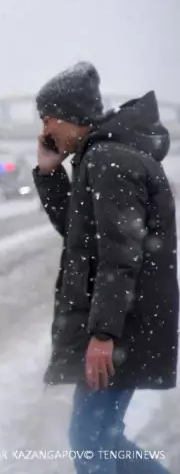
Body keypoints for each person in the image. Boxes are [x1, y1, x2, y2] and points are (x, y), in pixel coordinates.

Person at [33, 62, 178, 474]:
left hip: (123, 328)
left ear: (72, 115)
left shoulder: (109, 159)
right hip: (130, 324)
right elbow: (80, 233)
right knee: (103, 436)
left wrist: (103, 335)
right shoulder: (103, 155)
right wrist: (49, 174)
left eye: (48, 116)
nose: (44, 126)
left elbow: (119, 255)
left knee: (91, 438)